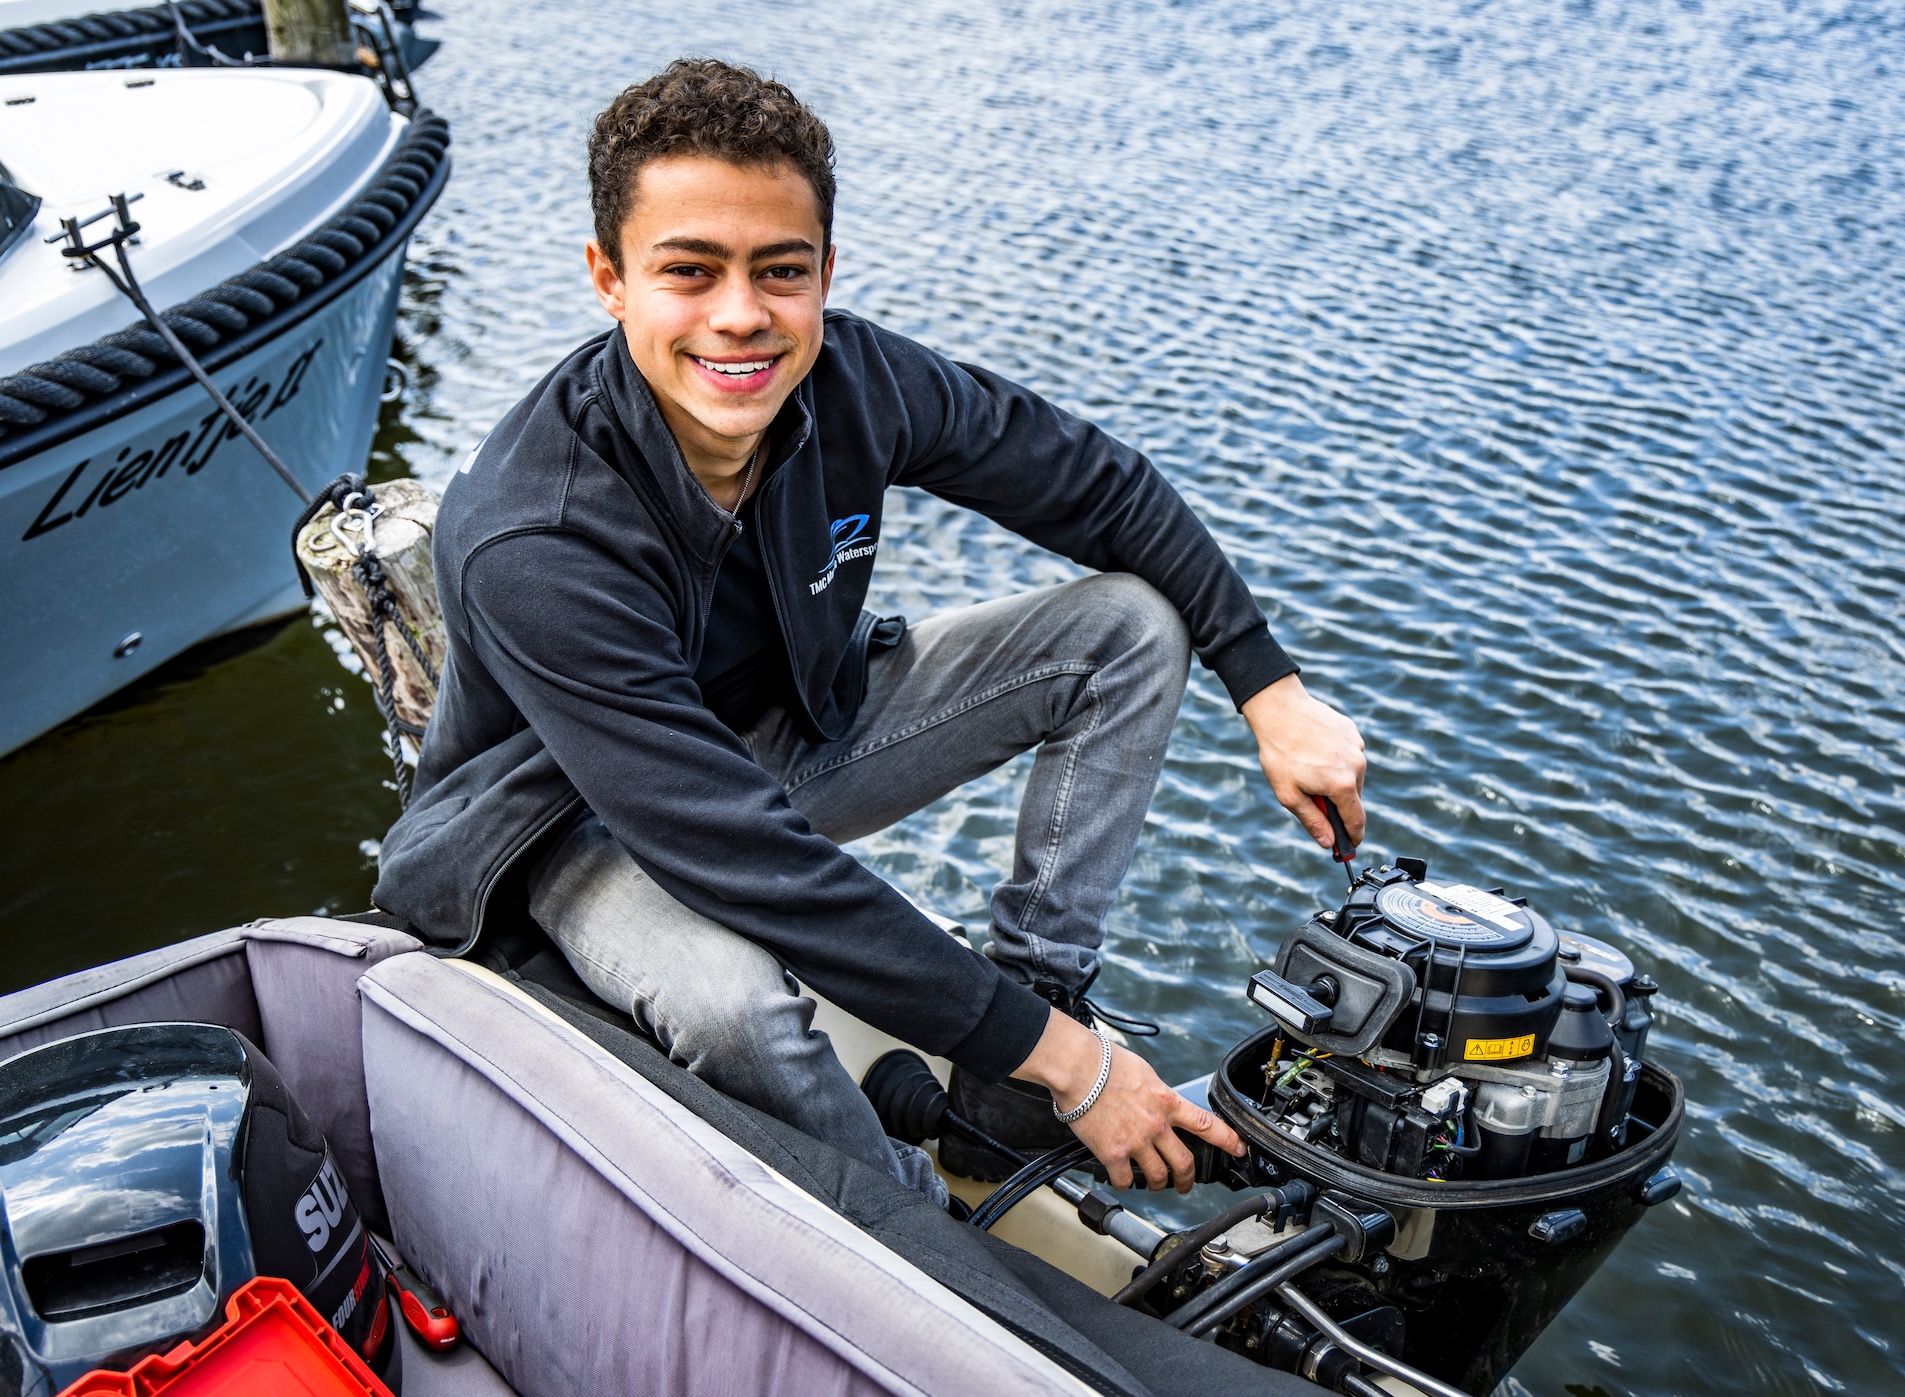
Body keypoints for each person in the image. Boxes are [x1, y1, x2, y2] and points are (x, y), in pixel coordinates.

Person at [373, 59, 1368, 1203]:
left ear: (825, 273)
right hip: (565, 823)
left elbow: (1099, 486)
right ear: (608, 278)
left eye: (778, 271)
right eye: (688, 272)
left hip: (771, 737)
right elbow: (737, 855)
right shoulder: (534, 535)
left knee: (1130, 626)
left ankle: (1001, 1087)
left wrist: (1269, 688)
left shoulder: (854, 377)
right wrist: (1079, 1067)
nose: (741, 315)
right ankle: (908, 1219)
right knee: (735, 1006)